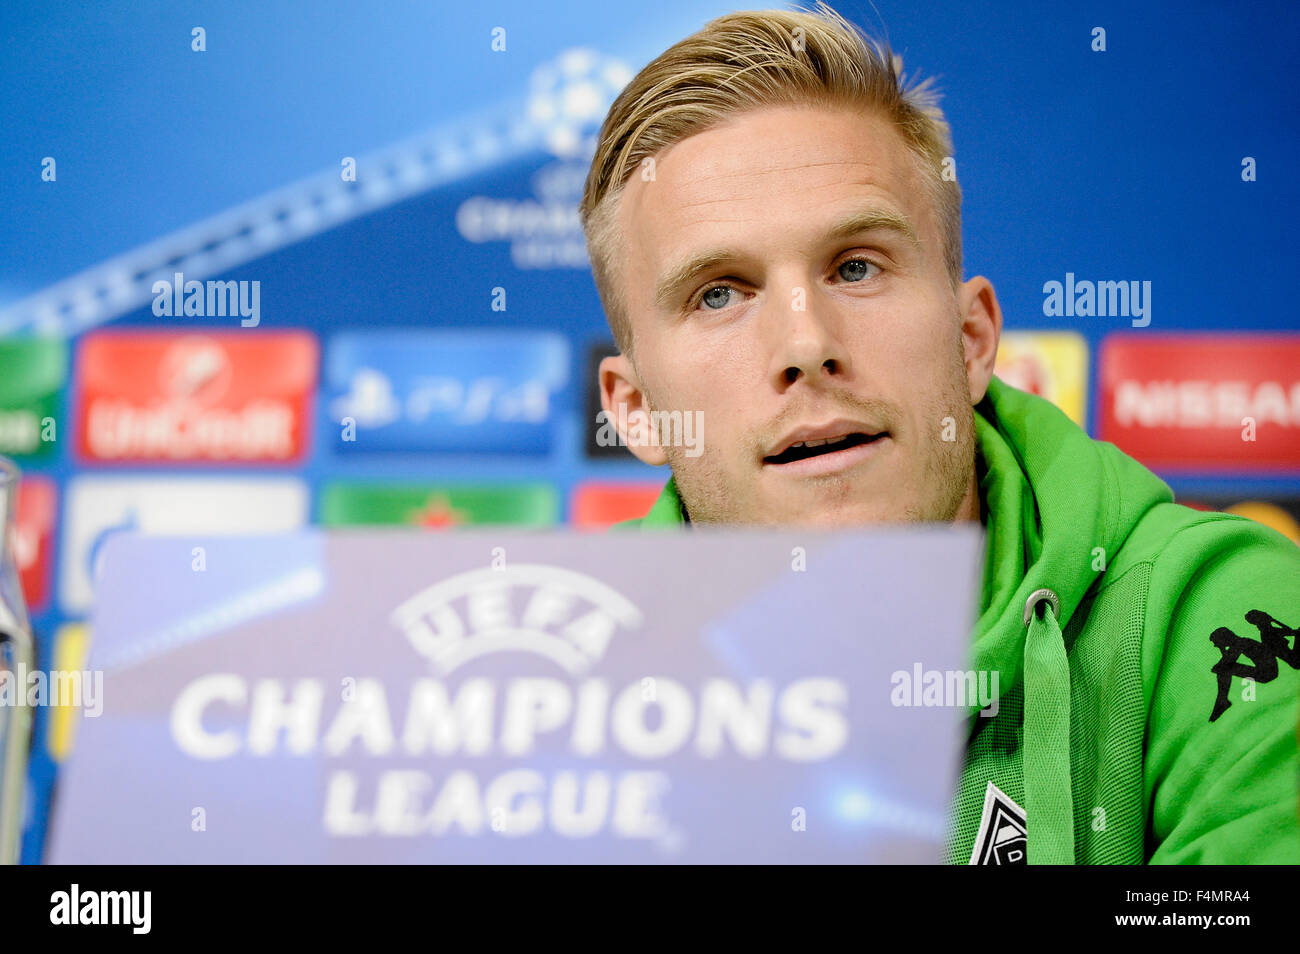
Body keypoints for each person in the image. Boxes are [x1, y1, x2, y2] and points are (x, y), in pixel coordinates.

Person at [578, 2, 1300, 864]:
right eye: (721, 293)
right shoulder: (542, 700)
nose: (806, 345)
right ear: (636, 409)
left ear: (972, 341)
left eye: (855, 266)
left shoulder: (1223, 617)